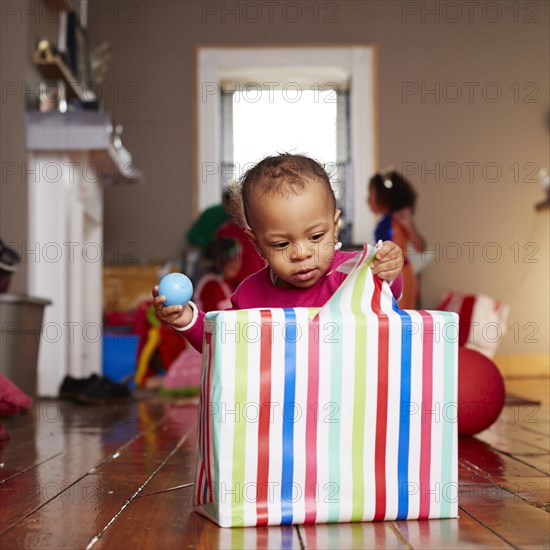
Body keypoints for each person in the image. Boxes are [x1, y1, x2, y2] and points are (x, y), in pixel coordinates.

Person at [154, 154, 404, 352]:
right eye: (282, 244)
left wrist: (389, 269)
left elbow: (385, 292)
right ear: (256, 243)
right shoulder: (250, 296)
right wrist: (186, 319)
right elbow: (221, 345)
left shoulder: (352, 273)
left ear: (335, 227)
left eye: (316, 237)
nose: (302, 253)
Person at [367, 168, 426, 309]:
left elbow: (420, 247)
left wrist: (407, 223)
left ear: (384, 196)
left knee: (399, 314)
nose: (367, 200)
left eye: (371, 195)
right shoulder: (384, 221)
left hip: (401, 274)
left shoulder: (400, 219)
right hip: (391, 271)